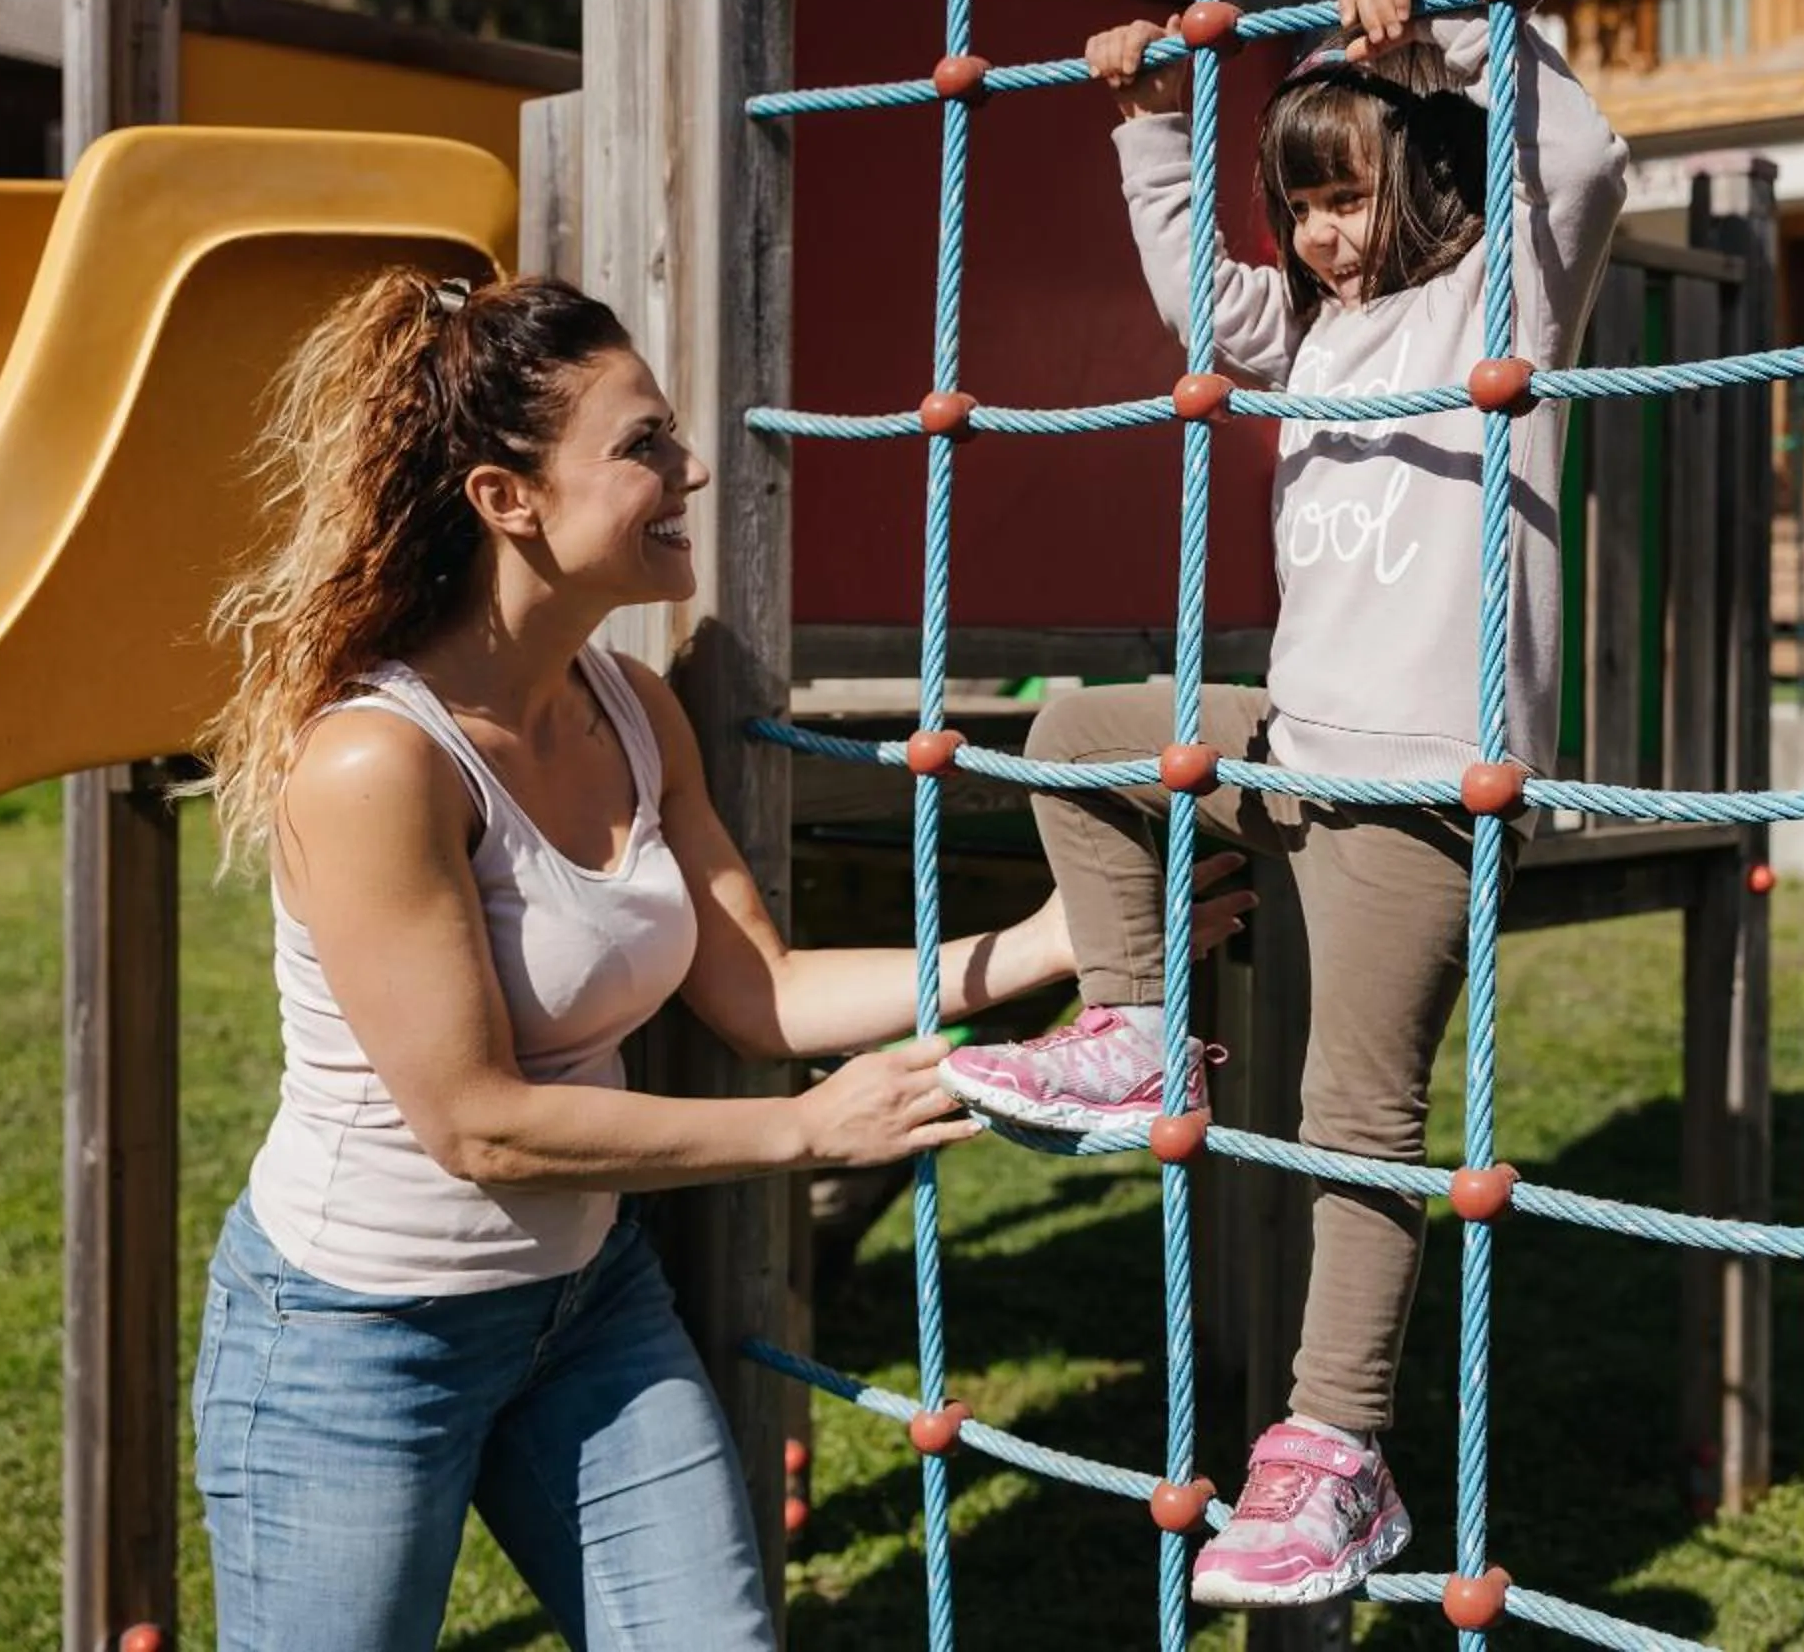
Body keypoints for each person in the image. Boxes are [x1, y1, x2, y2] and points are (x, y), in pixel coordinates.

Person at [186, 269, 1249, 1651]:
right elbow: (478, 1123)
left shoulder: (630, 705)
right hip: (355, 1338)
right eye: (642, 446)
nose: (691, 467)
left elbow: (761, 990)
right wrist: (811, 1128)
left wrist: (1053, 941)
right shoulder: (376, 761)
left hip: (583, 1310)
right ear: (508, 498)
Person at [937, 0, 1629, 1608]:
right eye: (1296, 203)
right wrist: (1149, 126)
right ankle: (1134, 1021)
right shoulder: (1312, 333)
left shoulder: (1500, 306)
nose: (1318, 235)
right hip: (1299, 747)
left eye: (1345, 198)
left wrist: (1452, 22)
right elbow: (1201, 297)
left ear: (1444, 182)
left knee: (1354, 1116)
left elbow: (1586, 153)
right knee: (1081, 737)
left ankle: (1337, 1451)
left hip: (1425, 785)